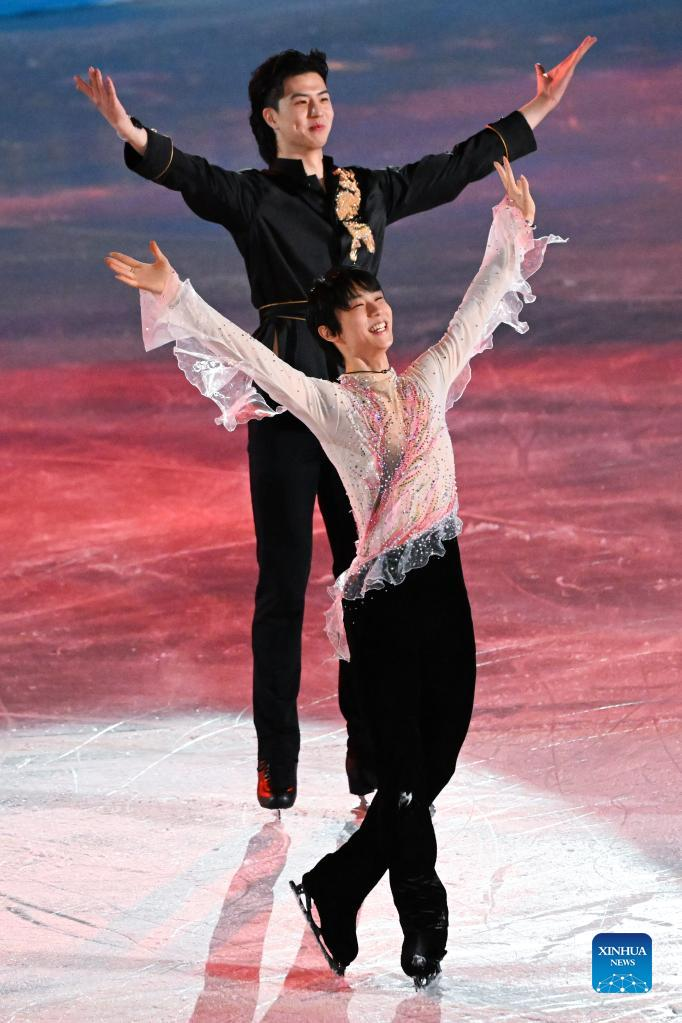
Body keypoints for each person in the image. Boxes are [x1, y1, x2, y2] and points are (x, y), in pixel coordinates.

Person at [79, 37, 595, 808]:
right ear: (271, 116)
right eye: (301, 101)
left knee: (371, 584)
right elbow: (192, 177)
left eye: (323, 97)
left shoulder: (369, 189)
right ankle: (277, 763)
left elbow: (450, 168)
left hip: (365, 415)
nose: (317, 110)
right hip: (291, 405)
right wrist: (130, 128)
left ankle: (372, 750)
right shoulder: (255, 197)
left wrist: (539, 109)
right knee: (283, 585)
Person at [104, 156, 564, 987]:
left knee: (438, 762)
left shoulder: (427, 379)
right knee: (408, 778)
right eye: (359, 311)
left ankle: (335, 885)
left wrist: (512, 229)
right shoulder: (326, 402)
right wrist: (179, 297)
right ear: (332, 333)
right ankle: (423, 920)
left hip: (445, 592)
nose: (377, 313)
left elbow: (478, 305)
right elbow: (248, 352)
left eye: (378, 302)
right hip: (383, 608)